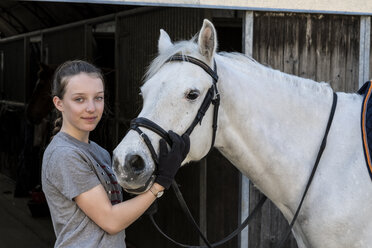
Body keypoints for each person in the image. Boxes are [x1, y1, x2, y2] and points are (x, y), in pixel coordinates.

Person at [41, 60, 190, 247]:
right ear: (59, 103)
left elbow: (113, 208)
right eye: (79, 99)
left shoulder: (99, 152)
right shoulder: (64, 155)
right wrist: (161, 183)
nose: (91, 108)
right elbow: (111, 221)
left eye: (98, 98)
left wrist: (153, 174)